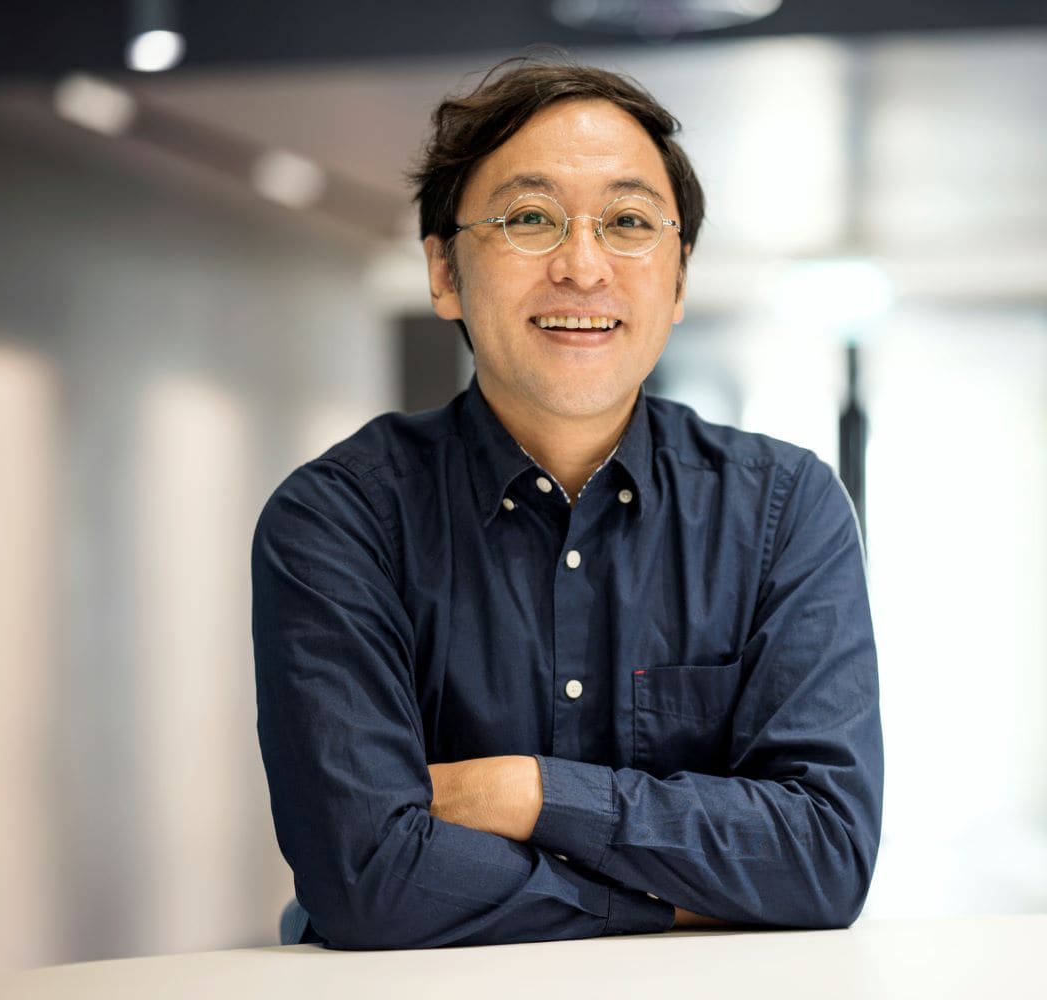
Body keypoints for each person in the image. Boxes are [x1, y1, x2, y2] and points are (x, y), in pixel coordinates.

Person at [252, 57, 883, 950]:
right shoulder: (340, 520)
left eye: (627, 223)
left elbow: (823, 854)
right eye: (530, 219)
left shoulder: (783, 510)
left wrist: (524, 793)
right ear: (443, 272)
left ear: (678, 279)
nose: (582, 267)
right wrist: (674, 900)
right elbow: (368, 878)